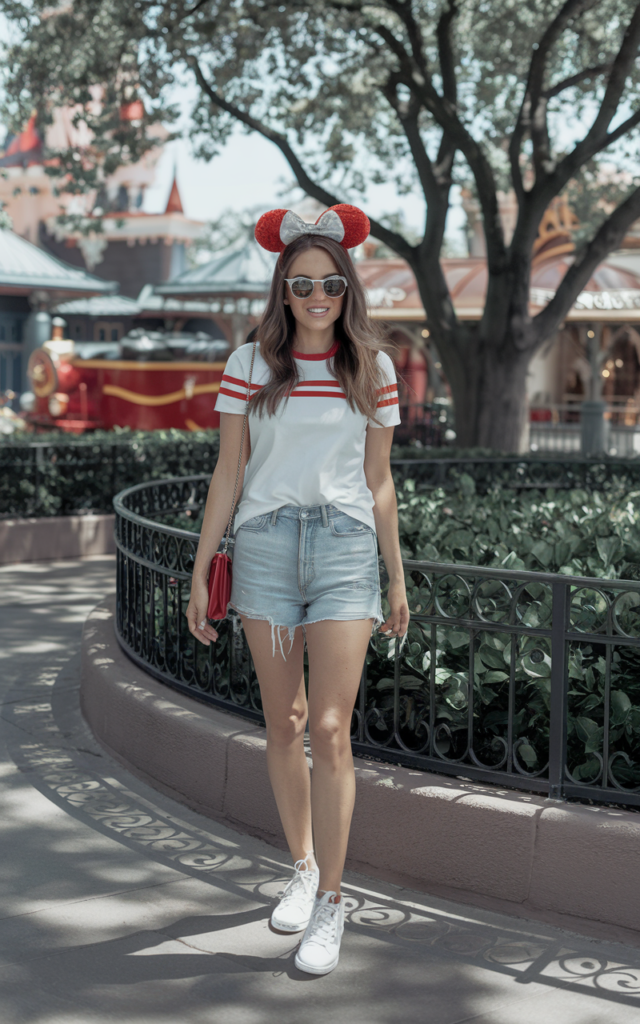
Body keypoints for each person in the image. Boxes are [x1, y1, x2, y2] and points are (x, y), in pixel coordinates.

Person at [186, 204, 410, 976]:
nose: (317, 295)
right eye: (301, 284)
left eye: (331, 283)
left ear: (349, 288)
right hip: (266, 546)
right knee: (281, 723)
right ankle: (304, 867)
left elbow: (379, 483)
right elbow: (228, 471)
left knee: (329, 729)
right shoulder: (250, 365)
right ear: (283, 290)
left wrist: (397, 575)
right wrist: (200, 564)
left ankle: (334, 903)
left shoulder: (374, 370)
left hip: (346, 549)